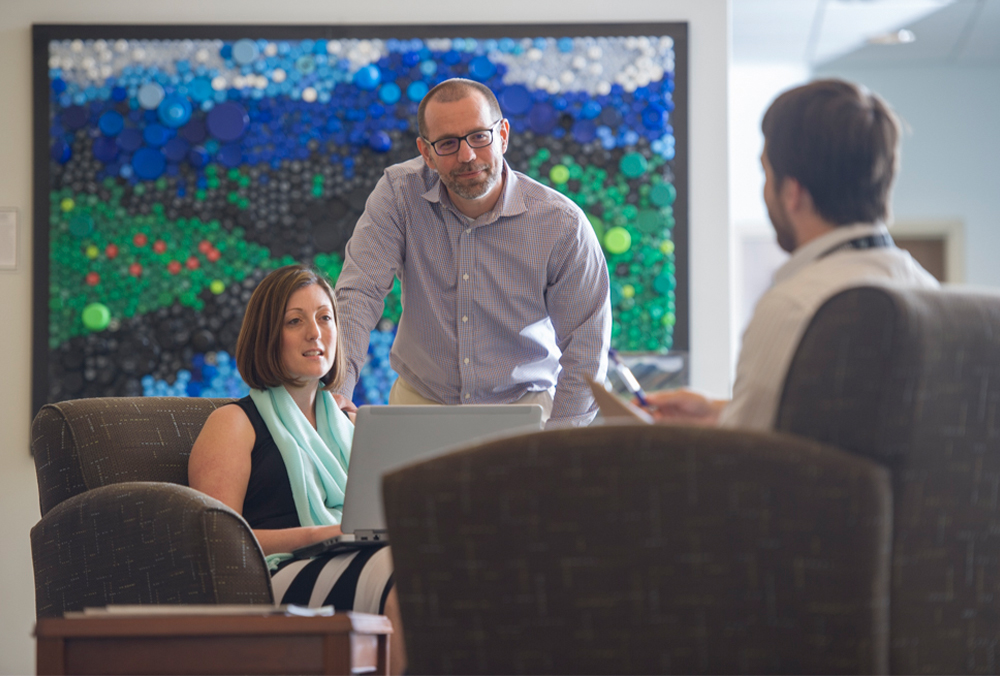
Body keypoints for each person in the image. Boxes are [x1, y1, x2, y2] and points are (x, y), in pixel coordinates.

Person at [645, 78, 938, 430]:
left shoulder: (795, 307)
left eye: (765, 172)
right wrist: (719, 413)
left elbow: (746, 459)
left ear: (792, 191)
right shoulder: (931, 295)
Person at [334, 78, 612, 427]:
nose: (467, 156)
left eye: (480, 136)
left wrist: (562, 439)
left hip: (526, 407)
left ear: (503, 135)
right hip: (421, 403)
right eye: (447, 143)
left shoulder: (562, 223)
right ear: (426, 153)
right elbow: (361, 291)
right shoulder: (399, 194)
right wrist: (337, 392)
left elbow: (587, 343)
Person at [188, 264, 405, 673]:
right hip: (281, 574)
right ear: (267, 336)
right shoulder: (233, 424)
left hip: (365, 555)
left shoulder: (353, 425)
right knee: (404, 573)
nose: (315, 332)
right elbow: (218, 545)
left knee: (443, 566)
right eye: (295, 321)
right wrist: (330, 536)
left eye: (325, 317)